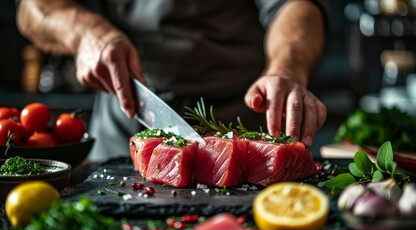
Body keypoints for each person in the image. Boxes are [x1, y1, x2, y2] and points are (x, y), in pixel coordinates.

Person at [16, 0, 327, 162]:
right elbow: (34, 7)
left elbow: (296, 6)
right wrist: (85, 32)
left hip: (243, 114)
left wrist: (286, 68)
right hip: (127, 112)